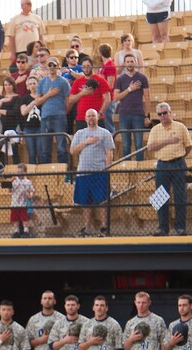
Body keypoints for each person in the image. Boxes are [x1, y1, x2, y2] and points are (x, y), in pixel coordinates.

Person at [146, 102, 192, 236]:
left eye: (165, 113)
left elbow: (189, 146)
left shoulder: (180, 127)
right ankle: (162, 227)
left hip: (178, 164)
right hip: (162, 165)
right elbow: (150, 148)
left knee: (180, 196)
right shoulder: (155, 129)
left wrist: (180, 157)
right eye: (160, 114)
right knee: (160, 197)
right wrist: (167, 141)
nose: (162, 116)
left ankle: (180, 227)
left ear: (170, 113)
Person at [70, 109, 114, 238]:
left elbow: (109, 153)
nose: (91, 118)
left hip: (99, 172)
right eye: (88, 116)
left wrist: (107, 169)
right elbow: (73, 151)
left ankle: (104, 227)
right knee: (85, 202)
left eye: (93, 116)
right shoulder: (80, 133)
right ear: (85, 118)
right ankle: (87, 228)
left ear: (98, 118)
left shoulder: (105, 133)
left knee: (102, 201)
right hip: (83, 172)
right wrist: (86, 142)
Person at [113, 54, 151, 161]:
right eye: (128, 62)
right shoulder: (120, 79)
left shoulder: (142, 78)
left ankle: (140, 168)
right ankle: (127, 168)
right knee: (126, 144)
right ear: (124, 63)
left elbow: (147, 98)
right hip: (124, 115)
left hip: (138, 114)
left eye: (132, 61)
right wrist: (129, 89)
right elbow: (116, 97)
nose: (130, 63)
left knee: (139, 143)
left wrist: (147, 116)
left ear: (135, 62)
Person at [34, 57, 71, 165]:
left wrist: (63, 112)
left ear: (58, 66)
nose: (52, 67)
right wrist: (48, 95)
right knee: (45, 148)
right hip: (45, 117)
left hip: (59, 117)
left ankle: (65, 174)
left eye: (54, 65)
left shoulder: (63, 82)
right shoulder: (41, 82)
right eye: (50, 65)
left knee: (61, 147)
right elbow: (37, 101)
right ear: (47, 67)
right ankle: (47, 174)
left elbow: (68, 101)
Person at [67, 58, 111, 132]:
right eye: (84, 66)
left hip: (96, 118)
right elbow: (71, 100)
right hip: (81, 118)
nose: (86, 69)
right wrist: (82, 93)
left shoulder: (100, 80)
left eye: (88, 66)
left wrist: (100, 113)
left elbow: (107, 99)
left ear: (92, 66)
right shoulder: (77, 82)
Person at [0, 78, 24, 166]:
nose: (7, 87)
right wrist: (1, 101)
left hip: (13, 127)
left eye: (9, 84)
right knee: (1, 152)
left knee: (15, 151)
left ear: (13, 85)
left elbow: (15, 112)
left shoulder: (17, 98)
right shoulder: (0, 98)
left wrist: (2, 111)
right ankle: (2, 174)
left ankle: (18, 174)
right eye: (5, 85)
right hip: (1, 127)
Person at [6, 0, 45, 65]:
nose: (30, 5)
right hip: (21, 50)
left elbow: (41, 36)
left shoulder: (37, 18)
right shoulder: (14, 19)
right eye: (28, 3)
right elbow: (11, 37)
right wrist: (12, 53)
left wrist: (43, 50)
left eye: (30, 3)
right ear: (22, 6)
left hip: (35, 51)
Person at [20, 75, 43, 165]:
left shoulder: (42, 97)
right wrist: (34, 102)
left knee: (40, 152)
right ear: (27, 87)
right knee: (31, 153)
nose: (32, 85)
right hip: (28, 129)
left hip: (40, 127)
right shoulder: (24, 98)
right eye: (30, 84)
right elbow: (23, 112)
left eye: (34, 83)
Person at [98, 44, 118, 135]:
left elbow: (110, 84)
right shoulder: (103, 65)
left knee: (108, 123)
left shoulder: (110, 65)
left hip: (108, 98)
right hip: (102, 97)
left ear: (100, 53)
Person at [9, 163, 34, 237]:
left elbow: (31, 190)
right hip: (15, 203)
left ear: (25, 172)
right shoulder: (14, 181)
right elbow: (10, 191)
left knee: (24, 218)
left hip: (23, 203)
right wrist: (9, 185)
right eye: (18, 172)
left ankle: (26, 230)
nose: (19, 174)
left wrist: (30, 195)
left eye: (21, 172)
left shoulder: (28, 181)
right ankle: (16, 231)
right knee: (15, 218)